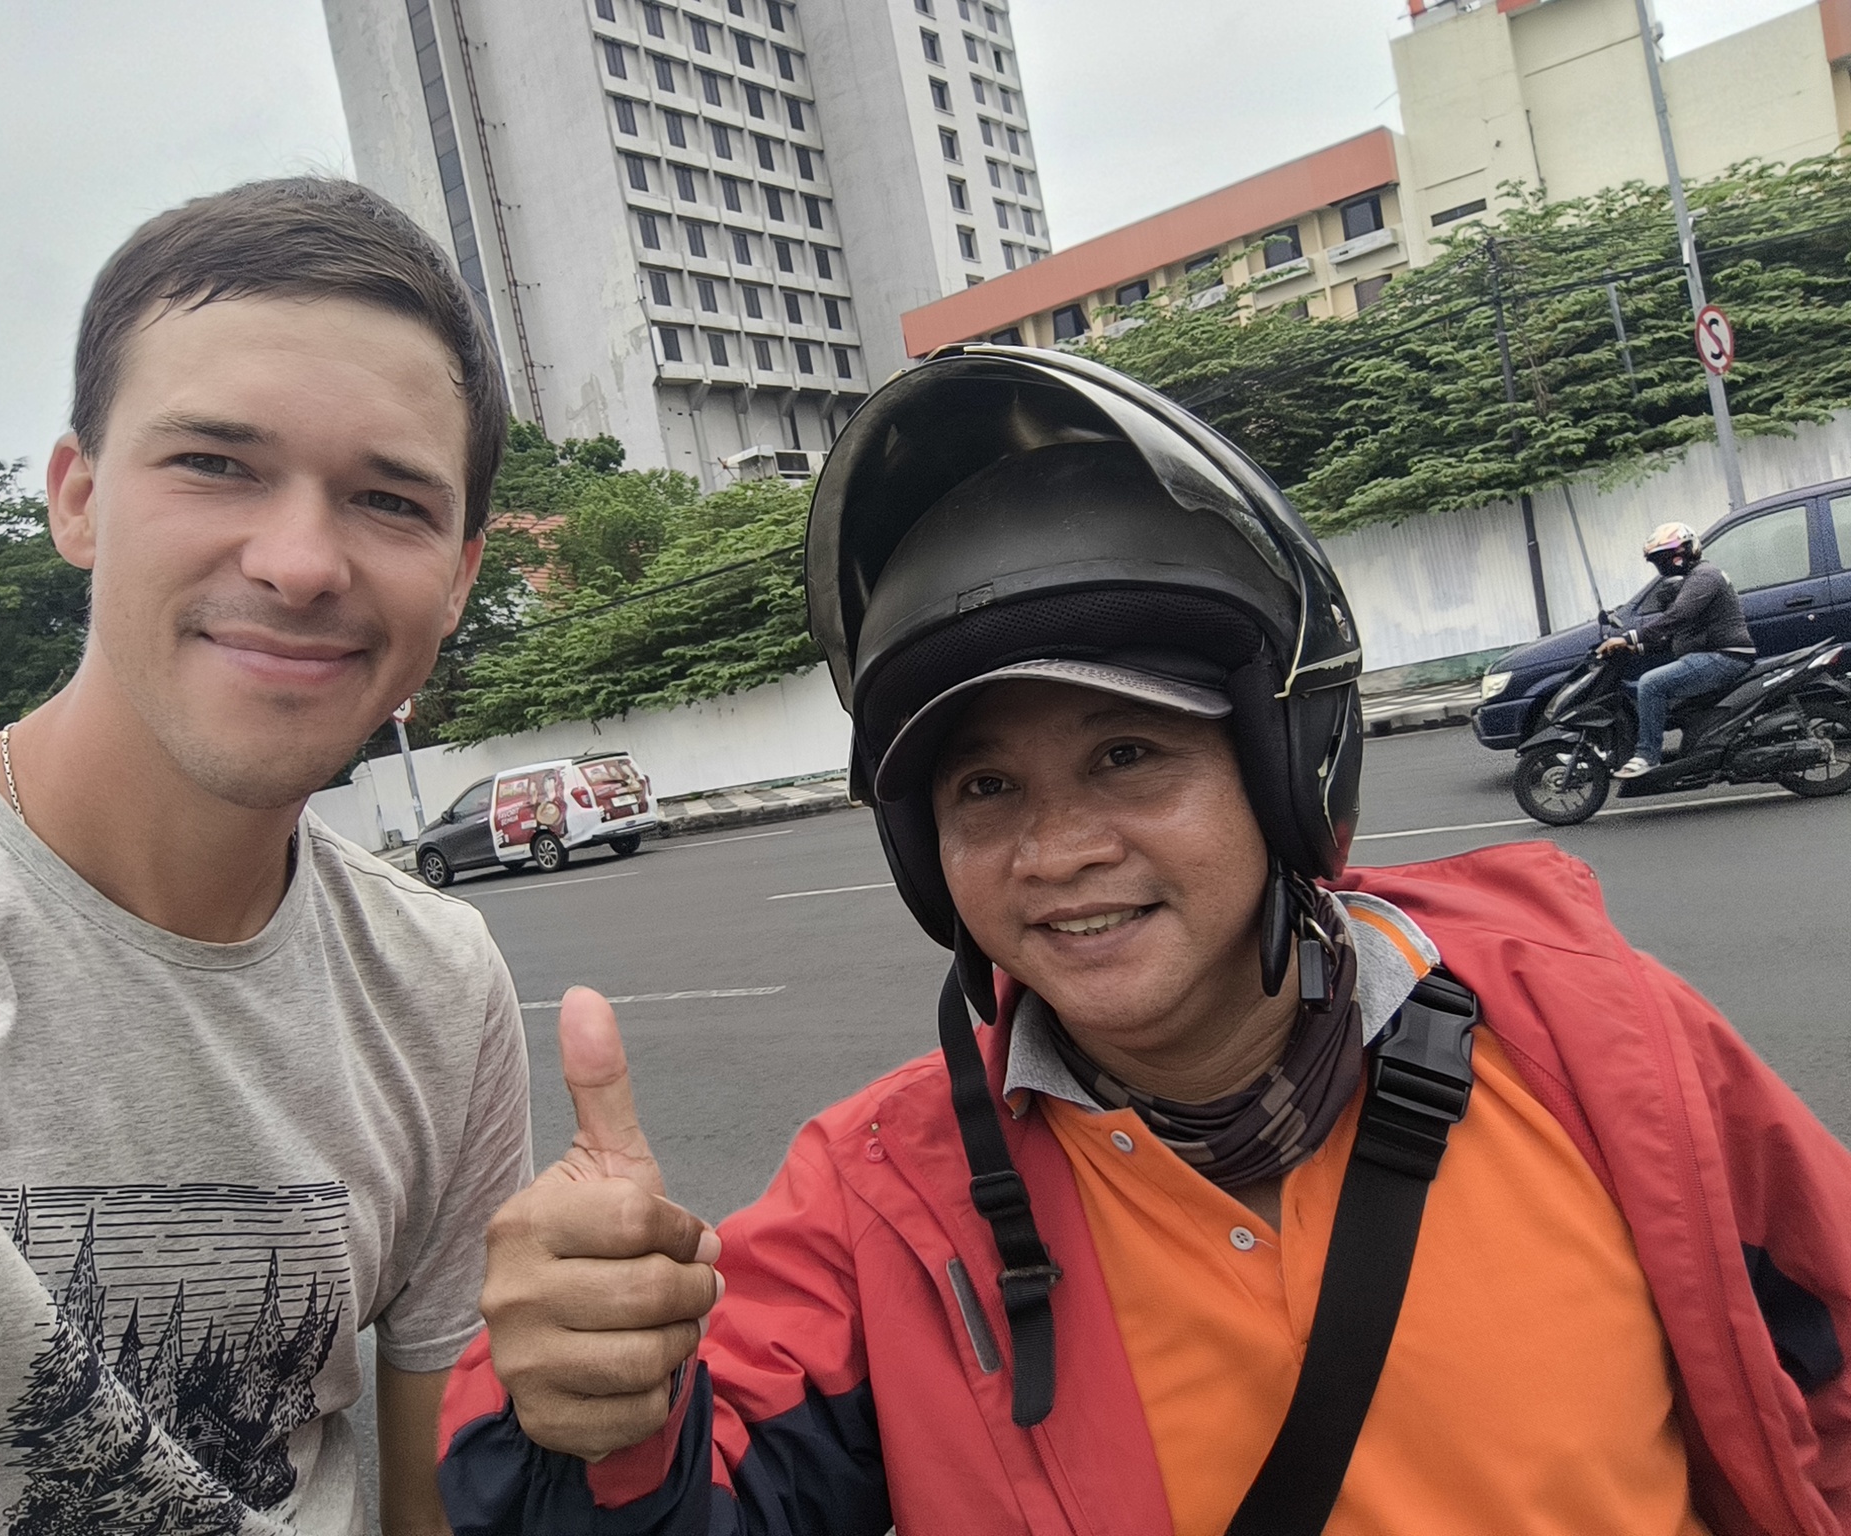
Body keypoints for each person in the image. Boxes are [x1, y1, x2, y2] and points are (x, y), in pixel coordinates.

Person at [436, 350, 1851, 1535]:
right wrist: (587, 1403)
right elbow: (693, 1488)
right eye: (984, 788)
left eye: (1126, 753)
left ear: (1290, 761)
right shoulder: (886, 1210)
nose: (1055, 852)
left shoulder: (1594, 1042)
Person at [0, 179, 533, 1534]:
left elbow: (437, 1506)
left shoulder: (440, 982)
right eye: (215, 463)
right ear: (78, 499)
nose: (303, 559)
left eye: (388, 499)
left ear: (458, 575)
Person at [1599, 521, 1756, 779]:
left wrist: (1630, 635)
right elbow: (1677, 635)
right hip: (1712, 655)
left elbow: (1677, 617)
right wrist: (1633, 646)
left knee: (1650, 684)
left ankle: (1648, 756)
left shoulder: (1705, 577)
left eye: (1667, 556)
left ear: (1686, 550)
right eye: (1659, 559)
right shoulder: (1692, 580)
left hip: (1725, 656)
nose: (1665, 562)